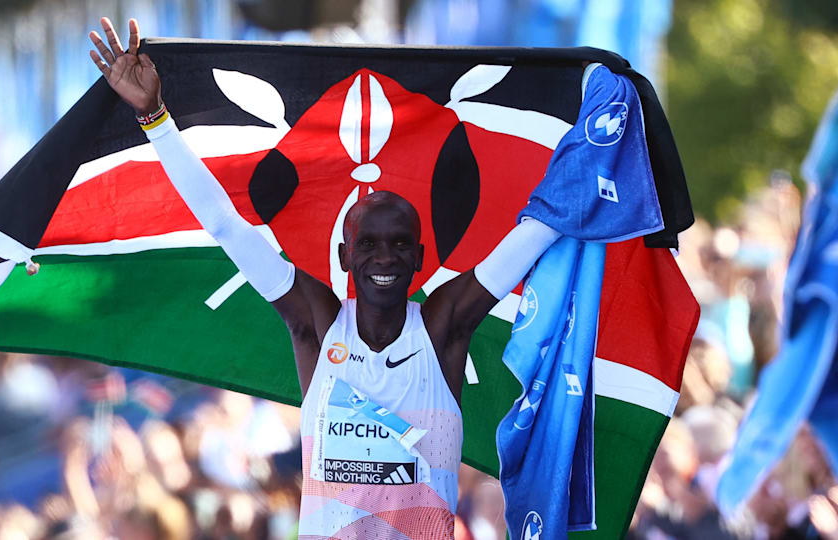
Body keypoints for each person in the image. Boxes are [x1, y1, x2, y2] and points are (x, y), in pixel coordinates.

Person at [89, 17, 560, 538]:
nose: (385, 259)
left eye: (401, 245)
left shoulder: (443, 327)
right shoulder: (318, 323)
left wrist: (597, 144)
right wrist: (155, 117)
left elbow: (536, 232)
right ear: (345, 254)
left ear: (422, 258)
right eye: (370, 245)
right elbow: (225, 224)